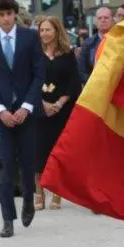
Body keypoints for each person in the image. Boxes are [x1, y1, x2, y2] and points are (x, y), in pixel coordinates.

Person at [0, 0, 45, 238]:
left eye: (9, 14)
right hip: (2, 114)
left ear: (15, 14)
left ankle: (28, 199)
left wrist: (27, 106)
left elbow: (39, 73)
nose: (5, 19)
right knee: (5, 164)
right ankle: (7, 218)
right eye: (1, 15)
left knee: (27, 163)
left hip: (26, 111)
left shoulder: (29, 37)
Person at [34, 16, 81, 210]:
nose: (45, 33)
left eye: (48, 29)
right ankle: (39, 194)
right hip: (39, 109)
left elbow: (74, 82)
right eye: (42, 30)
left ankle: (57, 193)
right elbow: (29, 80)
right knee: (38, 152)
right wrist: (43, 104)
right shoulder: (34, 54)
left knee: (58, 152)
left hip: (62, 110)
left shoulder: (68, 54)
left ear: (56, 31)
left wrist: (60, 103)